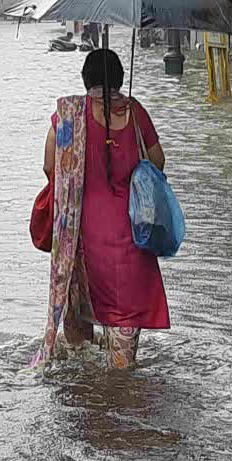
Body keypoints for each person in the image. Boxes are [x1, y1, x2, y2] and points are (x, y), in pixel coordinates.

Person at [33, 49, 169, 370]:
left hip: (80, 246)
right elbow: (158, 164)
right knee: (122, 367)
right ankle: (119, 402)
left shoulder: (68, 116)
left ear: (85, 80)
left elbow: (50, 167)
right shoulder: (136, 113)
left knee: (79, 353)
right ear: (120, 79)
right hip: (132, 247)